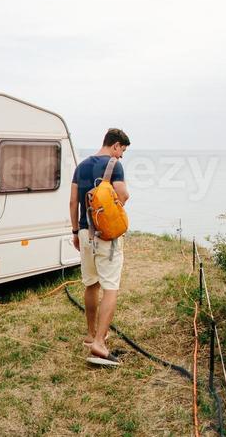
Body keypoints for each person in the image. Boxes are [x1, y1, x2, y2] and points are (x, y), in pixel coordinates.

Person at [70, 127, 130, 367]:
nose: (121, 155)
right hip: (106, 236)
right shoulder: (114, 165)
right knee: (111, 287)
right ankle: (99, 343)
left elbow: (73, 201)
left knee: (91, 284)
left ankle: (90, 334)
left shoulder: (81, 166)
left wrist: (75, 231)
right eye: (122, 150)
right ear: (115, 145)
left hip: (85, 232)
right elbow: (123, 195)